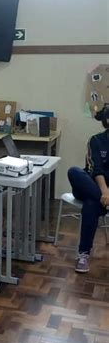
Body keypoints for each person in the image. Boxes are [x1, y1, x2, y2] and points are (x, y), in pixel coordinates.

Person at [68, 105, 109, 273]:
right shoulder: (96, 140)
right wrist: (105, 192)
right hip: (89, 185)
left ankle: (83, 254)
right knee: (74, 171)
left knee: (91, 204)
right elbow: (95, 168)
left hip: (98, 197)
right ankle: (104, 202)